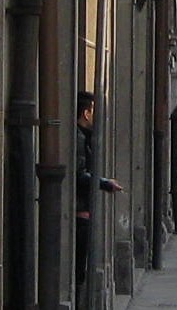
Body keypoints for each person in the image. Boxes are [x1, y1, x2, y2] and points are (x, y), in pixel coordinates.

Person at [76, 92, 122, 308]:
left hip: (84, 210)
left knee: (82, 270)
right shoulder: (78, 138)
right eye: (95, 112)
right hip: (79, 212)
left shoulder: (85, 137)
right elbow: (79, 174)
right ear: (86, 113)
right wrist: (104, 183)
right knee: (79, 271)